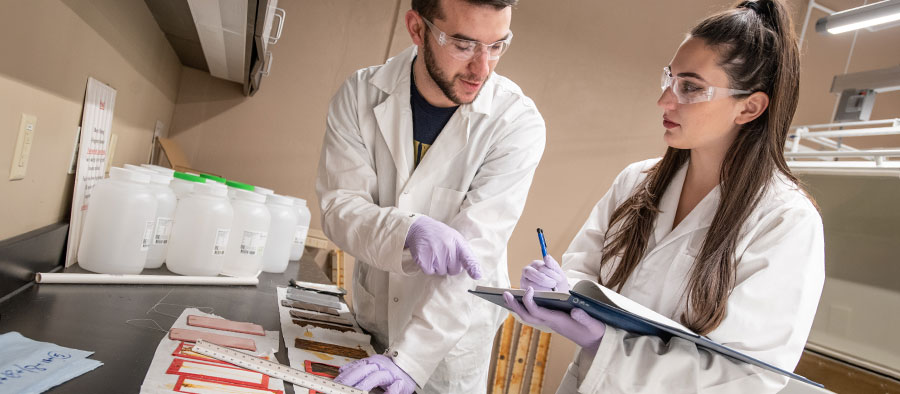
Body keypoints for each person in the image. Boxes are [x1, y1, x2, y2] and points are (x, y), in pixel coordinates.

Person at [504, 0, 825, 392]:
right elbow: (583, 273)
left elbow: (750, 376)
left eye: (690, 87)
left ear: (750, 107)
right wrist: (560, 291)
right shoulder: (636, 181)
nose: (665, 101)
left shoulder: (784, 220)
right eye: (669, 80)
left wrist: (605, 345)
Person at [315, 0, 546, 392]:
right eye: (463, 44)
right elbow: (339, 206)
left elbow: (476, 253)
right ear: (417, 29)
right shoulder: (359, 95)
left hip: (448, 349)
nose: (482, 69)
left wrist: (412, 359)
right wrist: (404, 231)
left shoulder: (517, 124)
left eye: (497, 45)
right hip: (373, 319)